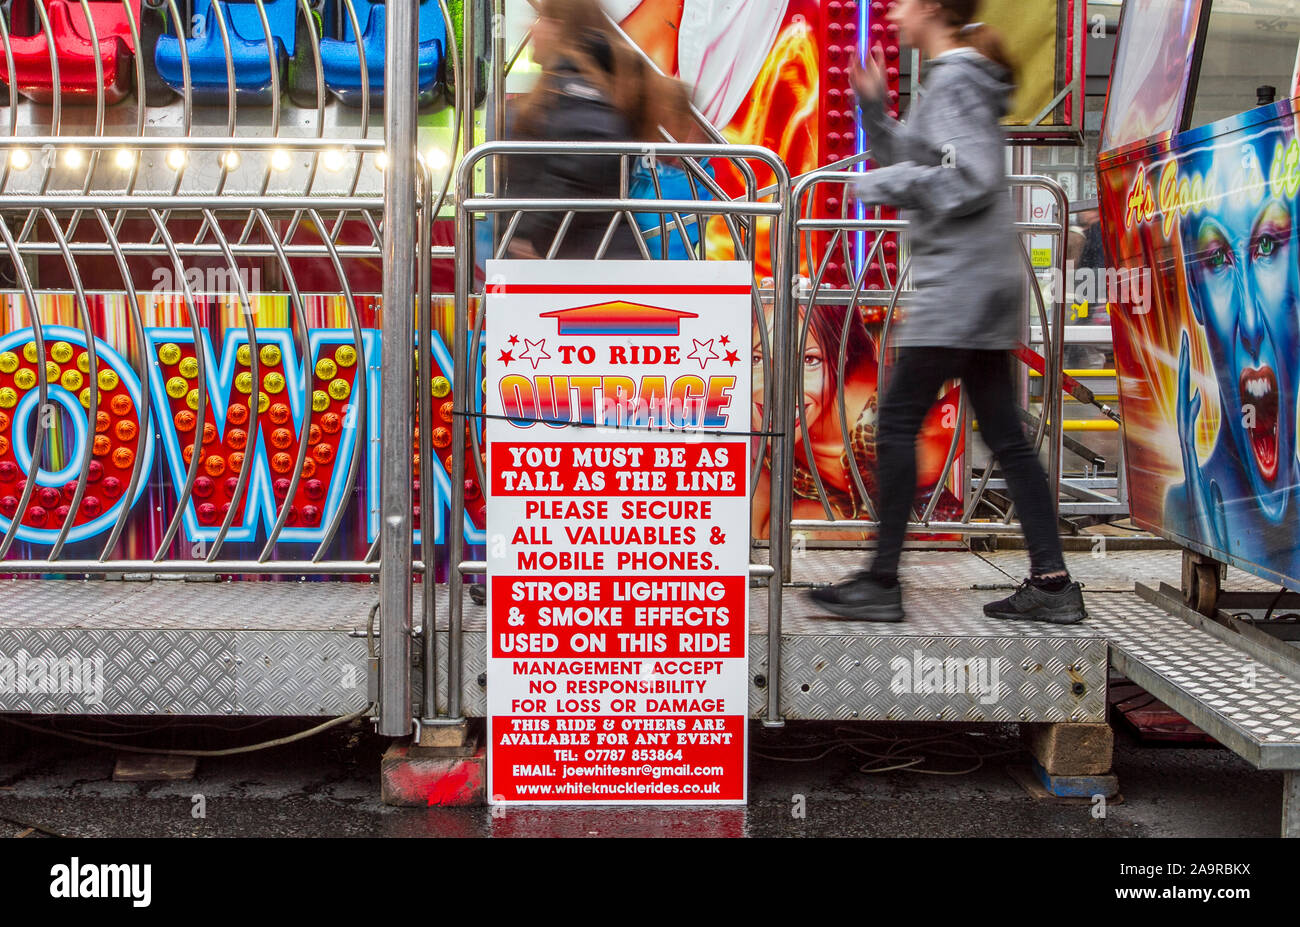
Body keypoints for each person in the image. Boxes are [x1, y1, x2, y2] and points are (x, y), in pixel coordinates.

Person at [809, 0, 1086, 624]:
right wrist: (875, 112)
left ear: (931, 7)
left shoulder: (955, 77)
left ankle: (881, 581)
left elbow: (972, 177)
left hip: (959, 288)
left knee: (898, 421)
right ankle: (1052, 582)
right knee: (1007, 437)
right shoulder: (953, 78)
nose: (895, 12)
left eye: (904, 2)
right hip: (978, 283)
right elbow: (920, 155)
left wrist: (878, 187)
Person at [504, 0, 681, 260]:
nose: (531, 27)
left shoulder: (578, 87)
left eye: (542, 18)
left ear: (560, 28)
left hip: (583, 260)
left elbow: (586, 155)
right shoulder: (570, 83)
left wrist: (533, 233)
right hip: (578, 256)